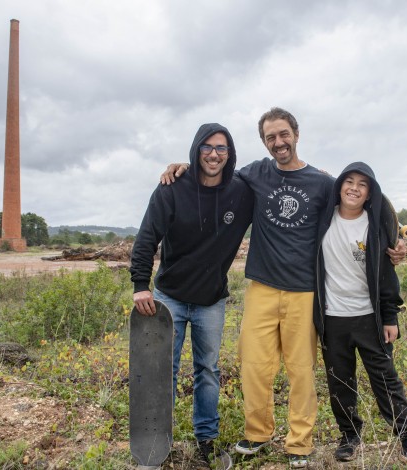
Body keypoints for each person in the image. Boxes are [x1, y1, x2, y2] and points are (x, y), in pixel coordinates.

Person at [161, 108, 407, 468]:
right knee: (254, 366)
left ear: (296, 133)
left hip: (305, 290)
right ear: (264, 142)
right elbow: (216, 173)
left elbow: (365, 204)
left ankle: (299, 443)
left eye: (283, 134)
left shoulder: (323, 184)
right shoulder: (255, 173)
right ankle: (258, 433)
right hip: (261, 286)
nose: (278, 142)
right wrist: (181, 167)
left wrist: (395, 241)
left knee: (301, 369)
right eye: (270, 137)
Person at [130, 123, 253, 469]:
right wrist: (141, 285)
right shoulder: (172, 188)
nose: (214, 154)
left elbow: (278, 181)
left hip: (211, 300)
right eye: (207, 148)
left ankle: (207, 441)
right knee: (161, 369)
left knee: (208, 371)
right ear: (196, 150)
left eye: (221, 148)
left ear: (229, 154)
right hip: (168, 297)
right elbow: (146, 237)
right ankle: (155, 445)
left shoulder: (242, 192)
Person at [314, 162, 407, 469]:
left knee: (387, 383)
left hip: (369, 318)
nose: (354, 188)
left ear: (370, 192)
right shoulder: (323, 219)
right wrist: (322, 173)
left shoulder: (376, 225)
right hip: (332, 319)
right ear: (339, 187)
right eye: (348, 181)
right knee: (340, 383)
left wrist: (390, 317)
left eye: (362, 184)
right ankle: (349, 436)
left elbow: (388, 274)